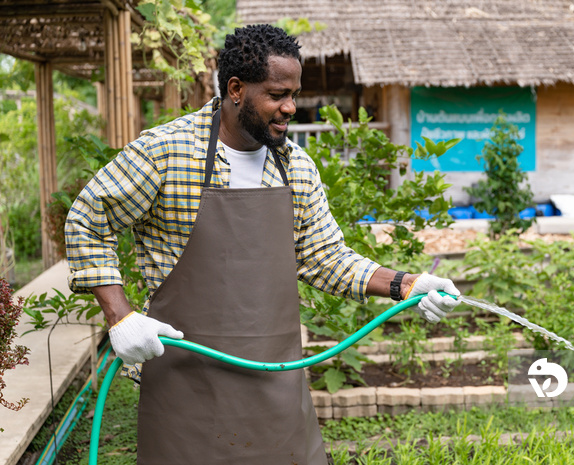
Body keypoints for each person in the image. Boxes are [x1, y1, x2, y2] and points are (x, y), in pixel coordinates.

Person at [66, 24, 460, 465]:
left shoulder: (296, 167)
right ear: (236, 88)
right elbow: (88, 218)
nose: (290, 107)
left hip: (276, 385)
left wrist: (407, 284)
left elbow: (325, 255)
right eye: (277, 94)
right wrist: (120, 316)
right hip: (186, 385)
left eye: (294, 93)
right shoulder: (166, 152)